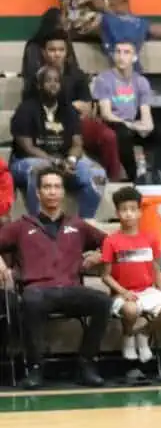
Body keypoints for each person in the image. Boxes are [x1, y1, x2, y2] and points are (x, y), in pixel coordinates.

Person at [0, 166, 110, 389]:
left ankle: (86, 363)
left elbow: (110, 243)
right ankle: (35, 368)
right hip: (37, 290)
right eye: (47, 187)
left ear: (63, 193)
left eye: (57, 187)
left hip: (71, 289)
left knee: (103, 301)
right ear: (38, 193)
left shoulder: (77, 224)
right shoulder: (21, 226)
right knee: (31, 301)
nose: (52, 191)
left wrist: (99, 256)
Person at [23, 29, 123, 180]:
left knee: (108, 136)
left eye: (61, 50)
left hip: (77, 123)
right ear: (43, 52)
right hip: (48, 126)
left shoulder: (77, 75)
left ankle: (114, 181)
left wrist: (73, 109)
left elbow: (87, 107)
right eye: (52, 50)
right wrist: (72, 106)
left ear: (67, 52)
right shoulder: (35, 78)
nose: (57, 54)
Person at [101, 185, 161, 382]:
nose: (128, 214)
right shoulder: (111, 241)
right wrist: (122, 292)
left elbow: (156, 268)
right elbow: (106, 276)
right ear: (118, 213)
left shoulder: (150, 237)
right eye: (124, 210)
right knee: (131, 310)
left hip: (148, 291)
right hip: (121, 294)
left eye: (133, 209)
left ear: (140, 211)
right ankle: (128, 339)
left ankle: (143, 332)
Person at [10, 65, 106, 221]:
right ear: (39, 85)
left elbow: (77, 143)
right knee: (41, 169)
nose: (53, 84)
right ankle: (38, 223)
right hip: (26, 162)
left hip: (63, 160)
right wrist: (55, 162)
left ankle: (84, 222)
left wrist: (71, 160)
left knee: (98, 175)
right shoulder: (26, 109)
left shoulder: (68, 110)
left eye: (56, 81)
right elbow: (27, 148)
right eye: (48, 81)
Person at [93, 42, 161, 183]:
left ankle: (159, 174)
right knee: (123, 133)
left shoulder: (141, 81)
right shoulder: (104, 79)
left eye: (126, 52)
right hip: (113, 124)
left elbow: (146, 115)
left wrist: (146, 127)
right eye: (118, 52)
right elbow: (106, 114)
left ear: (134, 57)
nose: (121, 56)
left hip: (132, 124)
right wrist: (132, 125)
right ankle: (134, 176)